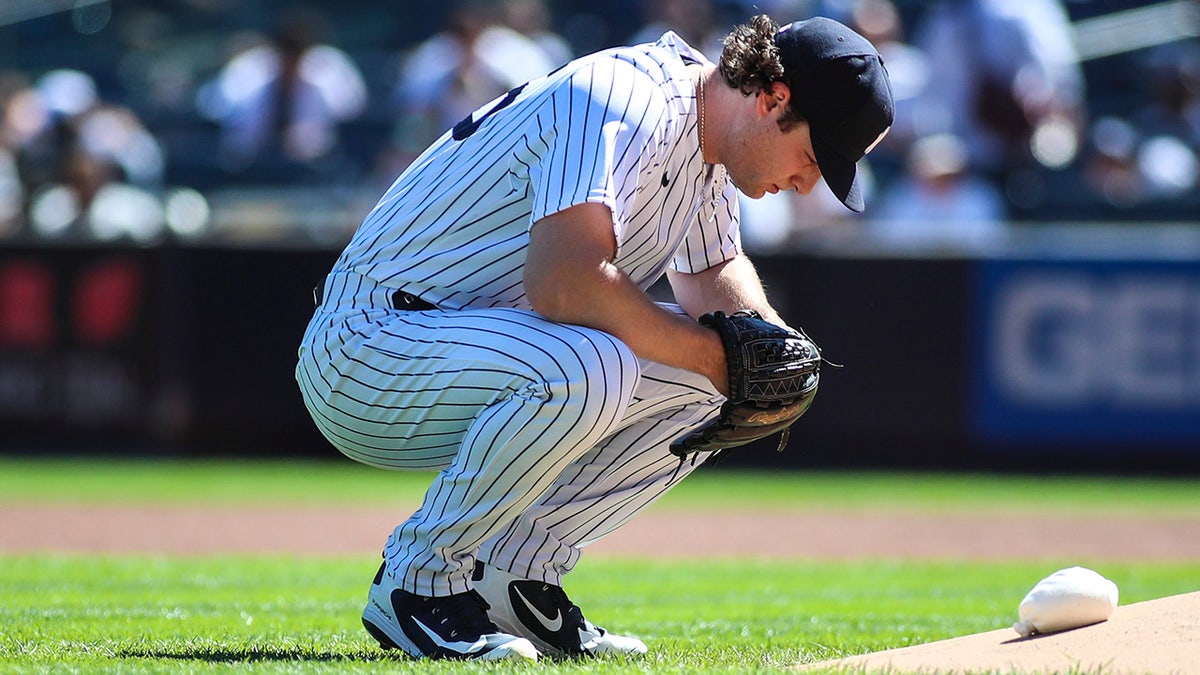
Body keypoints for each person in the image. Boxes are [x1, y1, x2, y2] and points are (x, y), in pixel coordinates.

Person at [296, 14, 893, 662]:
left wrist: (769, 347)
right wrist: (720, 353)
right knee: (599, 361)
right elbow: (565, 283)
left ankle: (515, 578)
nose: (808, 183)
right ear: (773, 98)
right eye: (812, 157)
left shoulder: (705, 144)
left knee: (716, 383)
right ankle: (419, 582)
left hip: (463, 349)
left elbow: (714, 274)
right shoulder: (624, 98)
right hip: (368, 346)